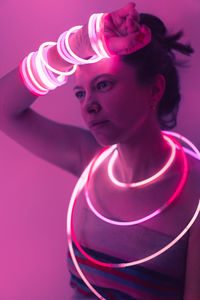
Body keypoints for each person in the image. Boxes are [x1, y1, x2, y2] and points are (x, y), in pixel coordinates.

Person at [0, 2, 200, 299]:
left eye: (103, 84)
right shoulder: (90, 161)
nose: (88, 106)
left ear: (154, 91)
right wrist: (78, 45)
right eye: (81, 92)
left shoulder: (195, 196)